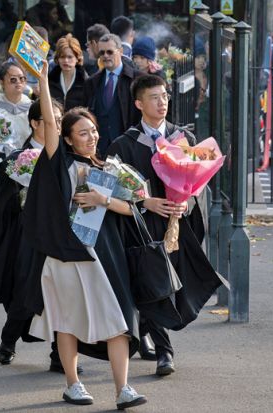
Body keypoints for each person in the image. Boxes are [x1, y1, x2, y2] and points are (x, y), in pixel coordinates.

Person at [22, 60, 146, 409]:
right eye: (83, 132)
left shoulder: (109, 168)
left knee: (119, 320)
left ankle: (123, 389)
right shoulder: (58, 163)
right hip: (66, 255)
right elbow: (49, 120)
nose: (91, 137)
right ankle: (73, 383)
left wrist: (101, 199)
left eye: (93, 131)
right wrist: (43, 81)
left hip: (106, 255)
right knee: (66, 322)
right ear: (67, 139)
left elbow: (132, 208)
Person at [106, 74, 223, 376]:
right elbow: (114, 187)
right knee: (153, 280)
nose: (162, 102)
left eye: (165, 96)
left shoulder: (183, 139)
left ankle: (145, 325)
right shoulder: (124, 144)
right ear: (138, 103)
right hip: (143, 225)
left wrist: (187, 202)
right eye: (155, 97)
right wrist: (146, 202)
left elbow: (199, 183)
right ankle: (164, 351)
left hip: (177, 222)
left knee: (176, 283)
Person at [0, 98, 80, 374]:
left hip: (61, 234)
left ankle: (59, 356)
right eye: (51, 119)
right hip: (27, 236)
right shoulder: (16, 160)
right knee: (27, 291)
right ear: (36, 123)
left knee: (63, 292)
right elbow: (0, 202)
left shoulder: (67, 156)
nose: (56, 125)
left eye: (60, 120)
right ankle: (9, 338)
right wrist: (22, 195)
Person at [83, 33, 141, 155]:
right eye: (102, 53)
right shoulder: (92, 82)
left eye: (109, 52)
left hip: (128, 149)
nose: (105, 56)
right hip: (99, 149)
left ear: (120, 51)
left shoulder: (137, 79)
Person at [0, 62, 33, 148]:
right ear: (2, 82)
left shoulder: (32, 107)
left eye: (22, 78)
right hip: (2, 158)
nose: (18, 82)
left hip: (29, 156)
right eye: (13, 79)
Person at [48, 34, 88, 111]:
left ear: (77, 58)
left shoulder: (87, 83)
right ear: (57, 59)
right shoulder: (49, 81)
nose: (66, 61)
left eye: (70, 57)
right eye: (62, 57)